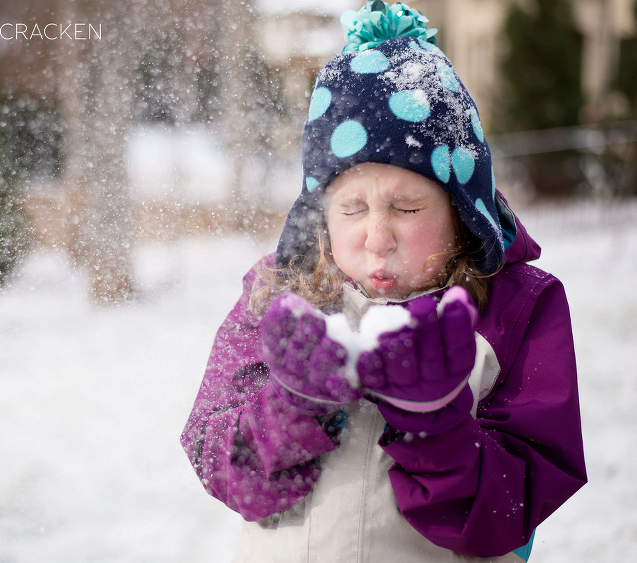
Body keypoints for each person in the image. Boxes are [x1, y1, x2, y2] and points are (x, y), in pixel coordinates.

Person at [180, 2, 587, 561]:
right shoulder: (280, 297)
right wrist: (292, 411)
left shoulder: (515, 309)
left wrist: (437, 426)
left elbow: (520, 501)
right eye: (352, 208)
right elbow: (217, 459)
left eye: (407, 207)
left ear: (462, 208)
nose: (377, 236)